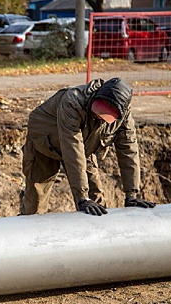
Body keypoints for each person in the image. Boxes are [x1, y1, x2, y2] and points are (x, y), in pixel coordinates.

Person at [20, 77, 155, 216]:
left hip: (83, 147)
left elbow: (128, 148)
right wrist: (82, 197)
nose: (100, 117)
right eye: (99, 111)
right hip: (44, 143)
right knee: (35, 204)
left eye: (105, 115)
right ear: (96, 97)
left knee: (97, 204)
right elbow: (72, 148)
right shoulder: (73, 101)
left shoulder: (123, 115)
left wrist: (131, 193)